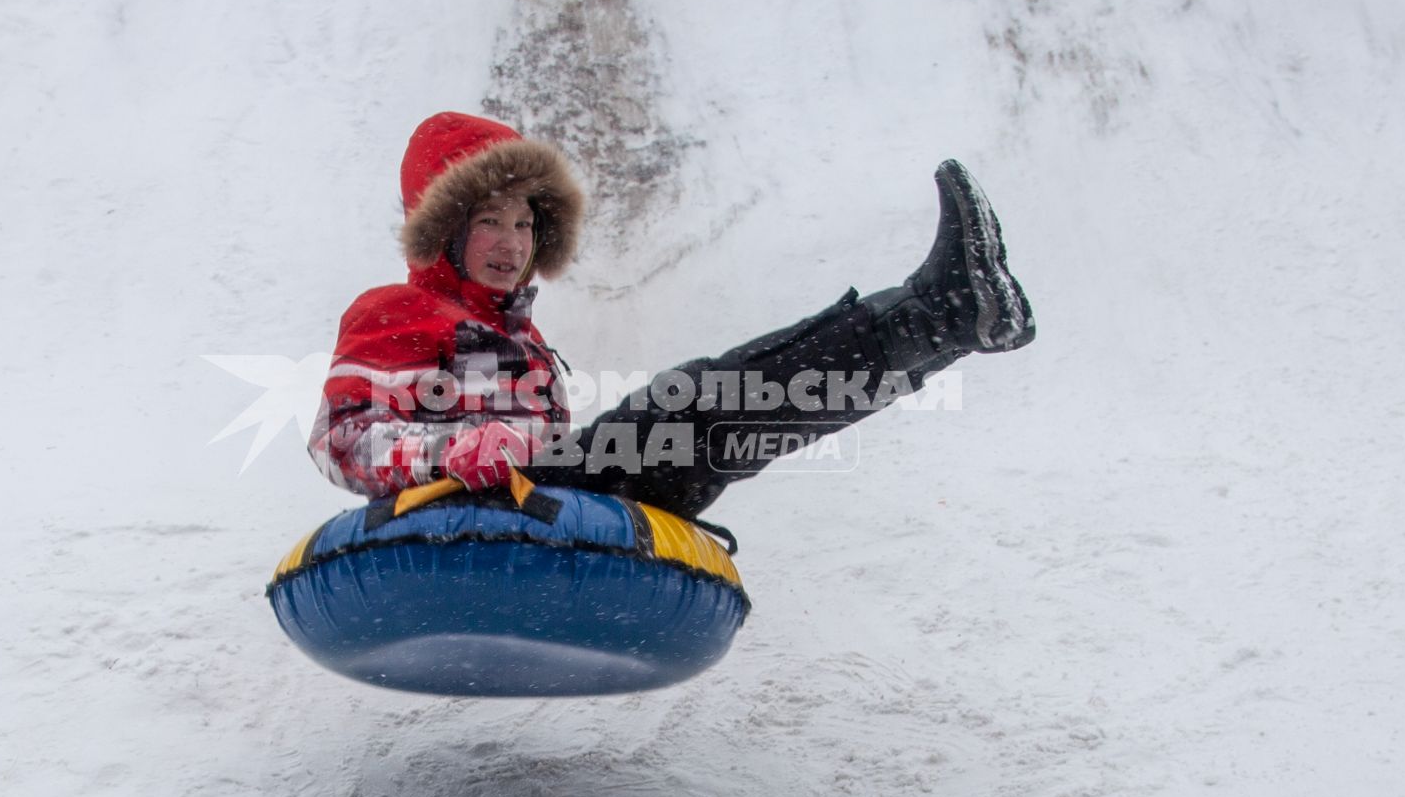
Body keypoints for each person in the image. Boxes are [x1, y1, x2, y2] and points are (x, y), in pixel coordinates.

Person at [308, 111, 1034, 519]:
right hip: (460, 511)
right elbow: (343, 439)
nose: (512, 244)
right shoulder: (396, 309)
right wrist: (452, 453)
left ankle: (944, 331)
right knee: (689, 406)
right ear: (444, 227)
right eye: (490, 221)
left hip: (537, 504)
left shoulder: (522, 340)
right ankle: (936, 313)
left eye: (526, 225)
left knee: (734, 425)